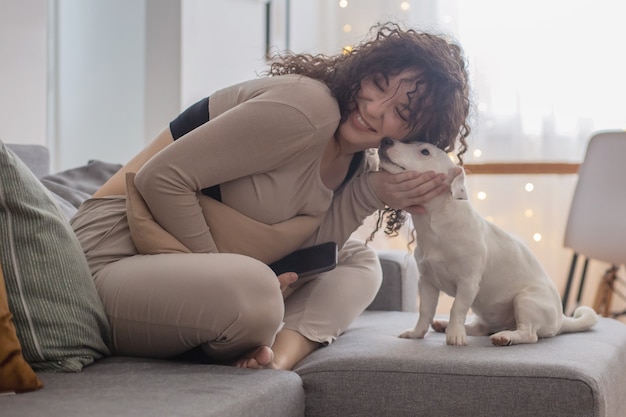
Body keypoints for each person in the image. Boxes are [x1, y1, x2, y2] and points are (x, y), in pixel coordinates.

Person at [70, 22, 471, 370]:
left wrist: (373, 191)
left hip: (179, 272)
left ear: (414, 134)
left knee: (361, 263)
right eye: (378, 85)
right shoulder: (308, 108)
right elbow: (160, 178)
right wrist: (221, 272)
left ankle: (276, 360)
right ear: (361, 71)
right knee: (258, 295)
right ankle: (236, 333)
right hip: (109, 258)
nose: (373, 107)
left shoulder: (355, 163)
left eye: (400, 112)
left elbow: (308, 250)